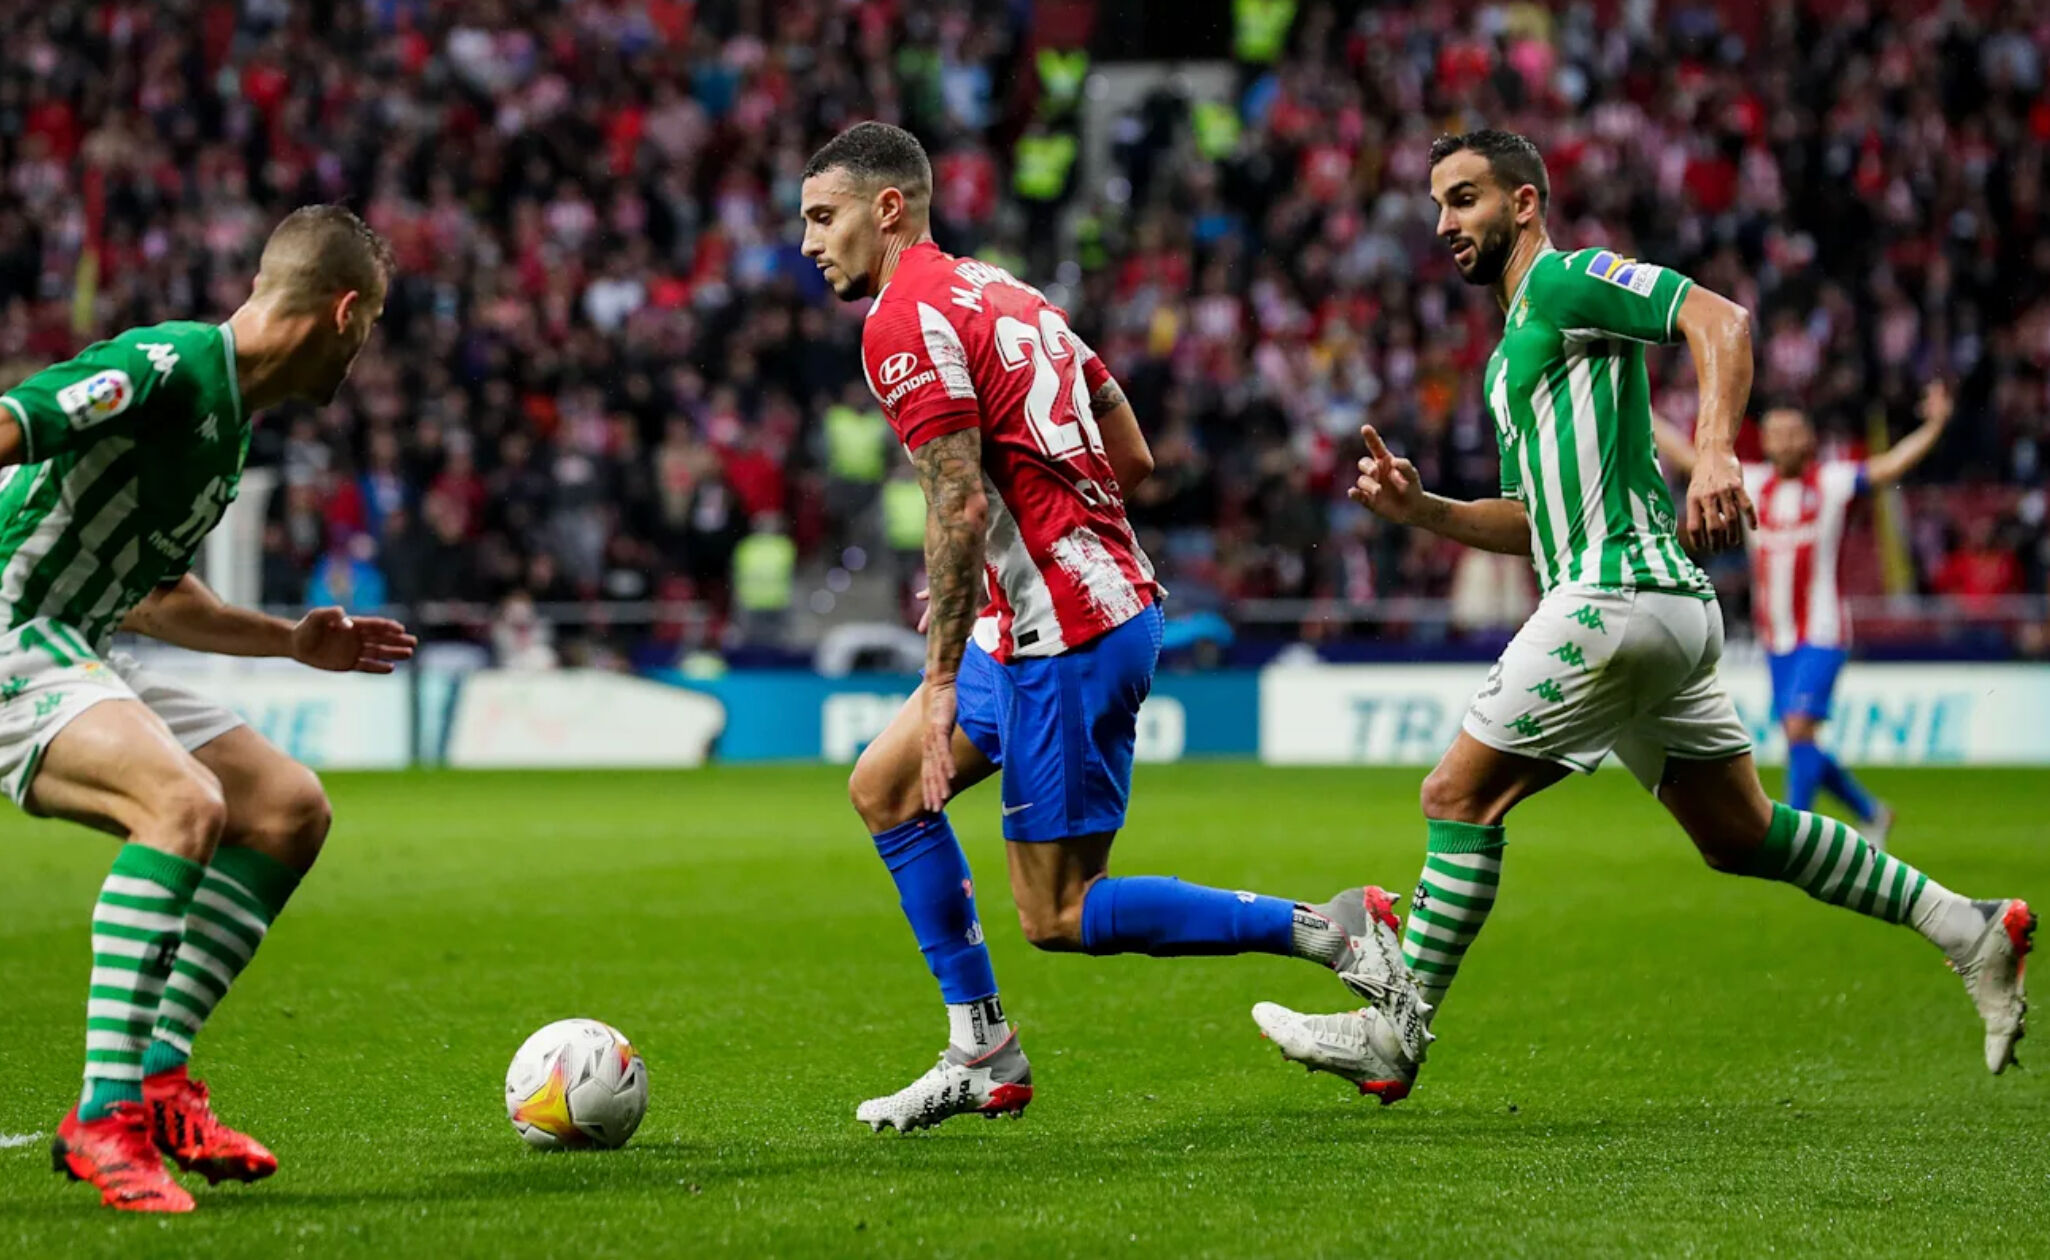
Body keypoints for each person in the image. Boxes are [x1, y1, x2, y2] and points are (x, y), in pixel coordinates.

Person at [1252, 131, 2031, 1103]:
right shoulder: (1506, 362)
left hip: (1615, 595)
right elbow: (1530, 520)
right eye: (1439, 205)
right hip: (1655, 609)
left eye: (1466, 198)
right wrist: (1425, 512)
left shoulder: (1568, 279)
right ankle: (1971, 928)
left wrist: (1717, 450)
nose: (1446, 222)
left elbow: (1720, 318)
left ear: (1524, 203)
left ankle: (1390, 1034)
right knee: (1740, 834)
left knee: (1457, 796)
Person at [799, 122, 1411, 1133]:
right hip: (1059, 608)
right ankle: (981, 1049)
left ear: (888, 207)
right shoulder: (1005, 291)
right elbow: (1129, 448)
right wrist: (1046, 544)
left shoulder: (898, 320)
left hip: (1064, 634)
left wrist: (946, 672)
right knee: (885, 789)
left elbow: (958, 505)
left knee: (1059, 912)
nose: (811, 242)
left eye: (825, 217)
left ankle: (1331, 931)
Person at [0, 206, 418, 1213]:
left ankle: (159, 1078)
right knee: (182, 804)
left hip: (73, 647)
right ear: (344, 311)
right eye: (371, 327)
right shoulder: (167, 366)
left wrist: (290, 641)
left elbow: (154, 597)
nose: (365, 352)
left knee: (287, 808)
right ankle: (106, 1118)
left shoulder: (226, 430)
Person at [1655, 385, 1955, 843]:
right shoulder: (1750, 483)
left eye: (1794, 432)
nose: (1785, 441)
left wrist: (1934, 424)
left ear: (1809, 438)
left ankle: (1796, 832)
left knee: (1798, 729)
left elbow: (1890, 465)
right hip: (1775, 637)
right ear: (1765, 441)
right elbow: (1685, 456)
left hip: (1823, 631)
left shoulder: (1832, 483)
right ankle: (1872, 812)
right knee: (1801, 739)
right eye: (1776, 433)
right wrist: (1640, 406)